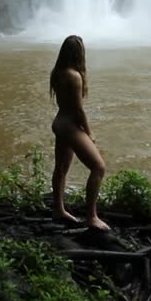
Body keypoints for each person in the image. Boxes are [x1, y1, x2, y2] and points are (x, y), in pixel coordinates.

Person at [48, 34, 109, 231]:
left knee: (61, 168)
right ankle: (91, 216)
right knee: (98, 167)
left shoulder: (57, 72)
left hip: (59, 122)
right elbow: (78, 109)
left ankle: (58, 209)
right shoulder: (74, 76)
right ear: (78, 53)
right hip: (69, 125)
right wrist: (89, 132)